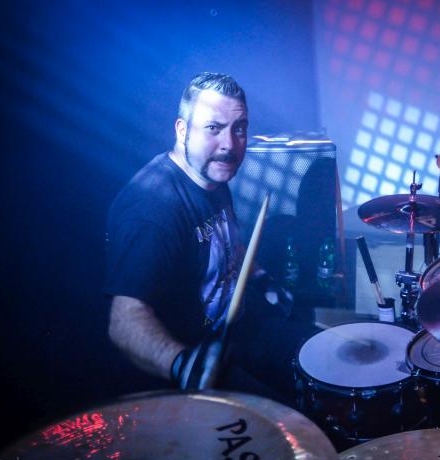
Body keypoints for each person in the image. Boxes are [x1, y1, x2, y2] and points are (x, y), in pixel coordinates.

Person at [103, 72, 301, 404]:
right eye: (213, 128)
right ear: (182, 130)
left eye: (239, 128)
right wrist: (183, 364)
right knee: (288, 418)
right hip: (194, 361)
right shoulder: (152, 209)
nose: (229, 145)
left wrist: (262, 278)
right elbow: (123, 322)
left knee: (321, 364)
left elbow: (226, 246)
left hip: (237, 329)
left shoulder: (211, 175)